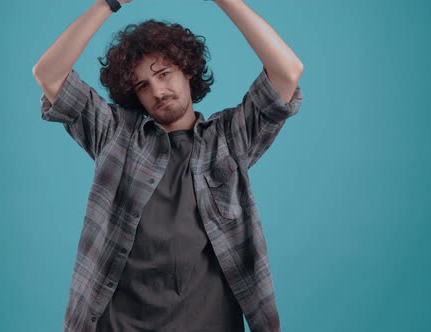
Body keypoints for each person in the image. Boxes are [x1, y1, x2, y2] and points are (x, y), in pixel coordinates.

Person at [33, 0, 303, 331]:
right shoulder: (116, 134)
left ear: (187, 70)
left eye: (164, 74)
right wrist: (109, 2)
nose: (158, 91)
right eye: (143, 85)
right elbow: (48, 76)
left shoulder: (229, 139)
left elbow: (287, 72)